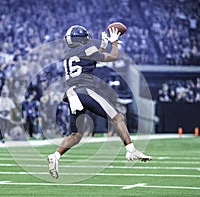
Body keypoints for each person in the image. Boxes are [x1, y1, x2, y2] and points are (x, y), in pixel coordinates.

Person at [47, 25, 152, 179]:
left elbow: (91, 58)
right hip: (84, 91)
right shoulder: (86, 49)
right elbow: (113, 56)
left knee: (76, 135)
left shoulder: (68, 55)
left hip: (72, 94)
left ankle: (55, 156)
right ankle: (131, 150)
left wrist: (102, 46)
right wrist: (114, 42)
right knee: (118, 117)